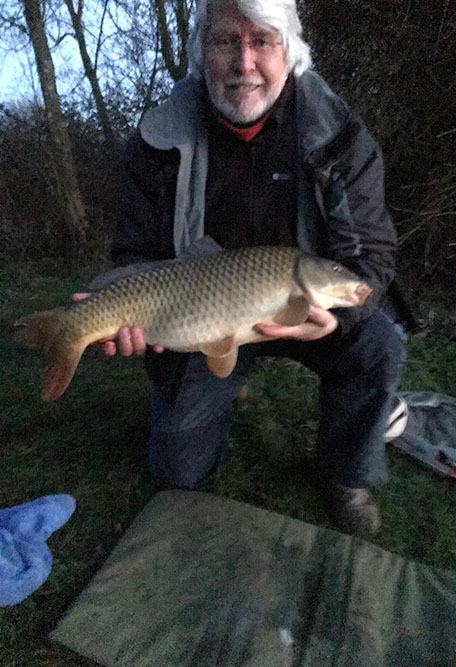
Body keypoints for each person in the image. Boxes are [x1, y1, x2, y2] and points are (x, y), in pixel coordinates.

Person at [77, 0, 407, 535]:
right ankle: (224, 392)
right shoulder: (157, 140)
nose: (244, 62)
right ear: (201, 51)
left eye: (262, 41)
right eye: (226, 41)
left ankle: (345, 473)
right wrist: (123, 312)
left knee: (379, 342)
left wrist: (337, 318)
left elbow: (371, 253)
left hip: (309, 306)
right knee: (177, 475)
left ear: (289, 50)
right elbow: (135, 253)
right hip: (201, 317)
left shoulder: (338, 135)